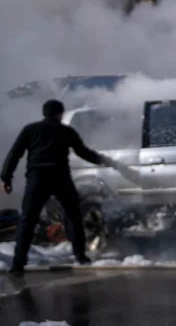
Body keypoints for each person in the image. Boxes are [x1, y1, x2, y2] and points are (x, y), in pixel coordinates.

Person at [1, 99, 112, 277]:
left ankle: (17, 265)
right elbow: (84, 152)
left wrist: (6, 177)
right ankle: (81, 256)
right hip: (60, 178)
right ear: (60, 114)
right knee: (73, 215)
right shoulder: (66, 131)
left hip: (37, 178)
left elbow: (15, 153)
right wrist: (105, 161)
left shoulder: (30, 130)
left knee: (27, 220)